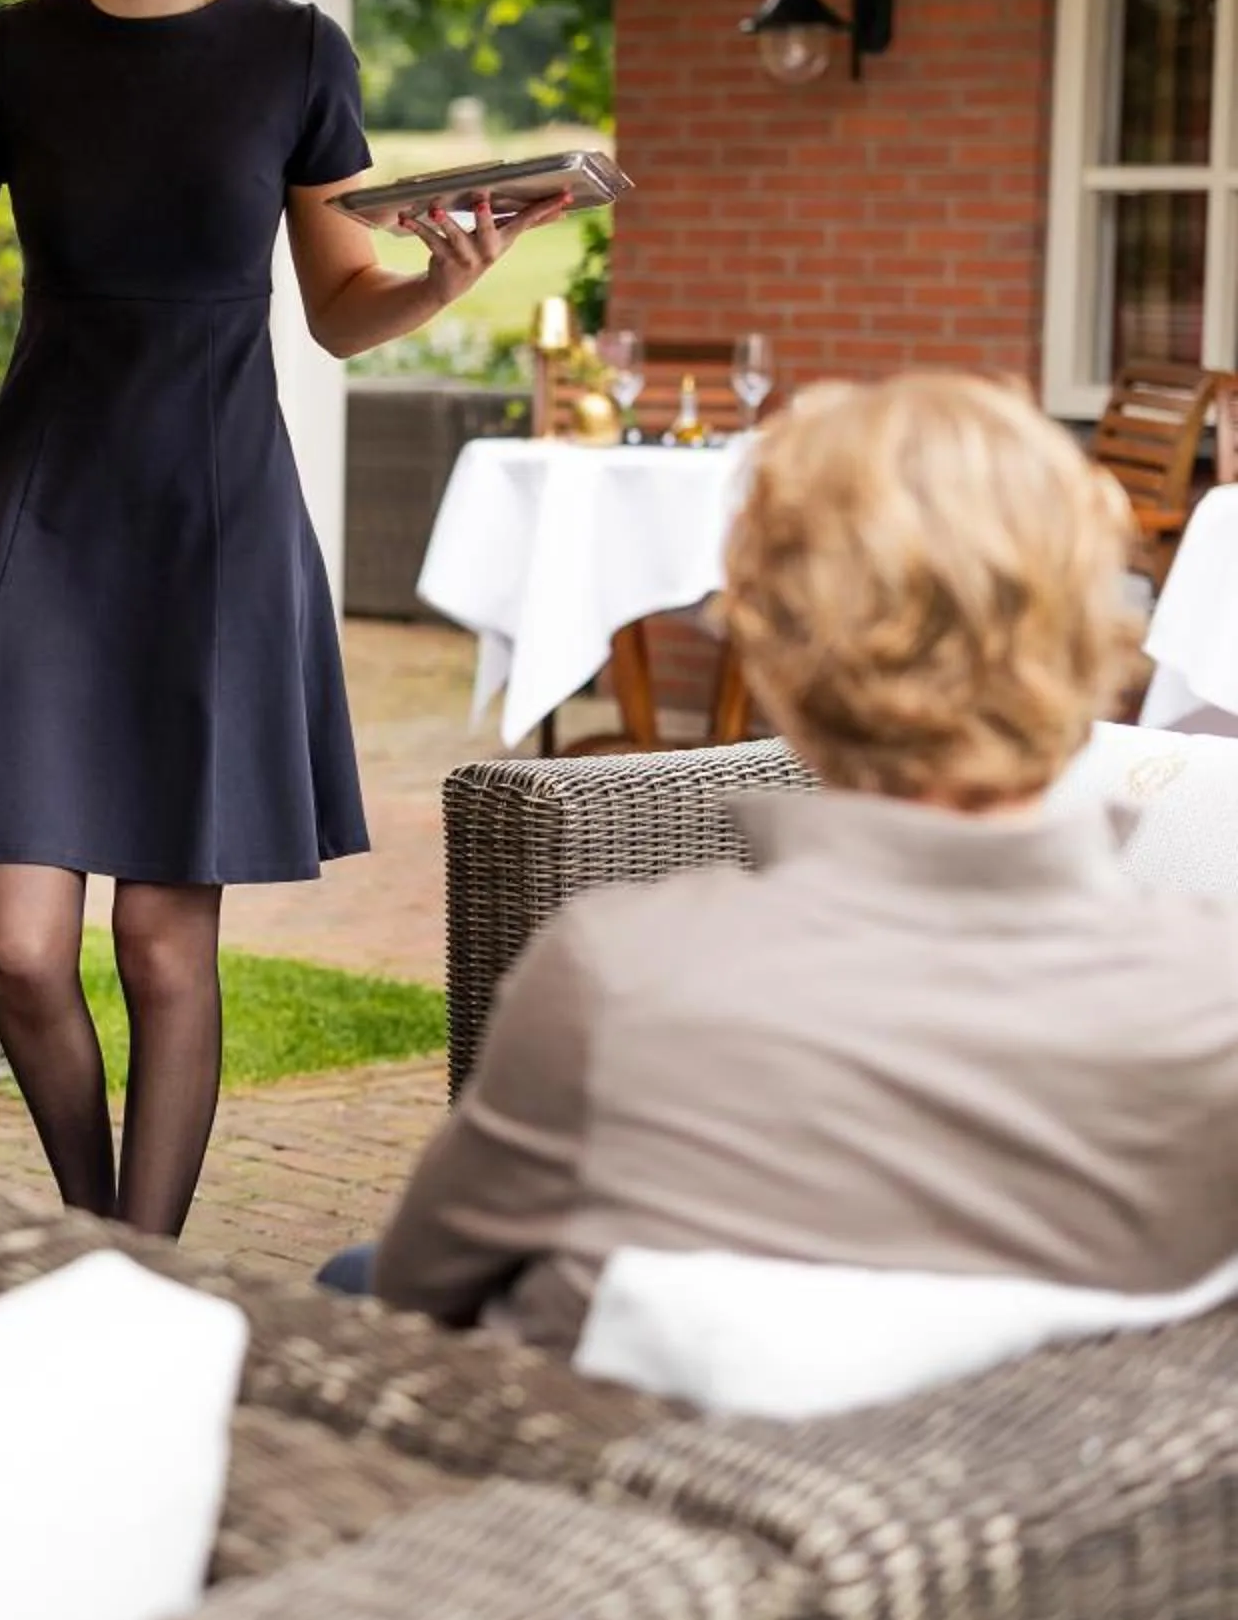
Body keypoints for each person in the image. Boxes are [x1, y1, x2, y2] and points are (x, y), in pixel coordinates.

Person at [0, 0, 566, 1239]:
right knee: (25, 945)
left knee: (173, 951)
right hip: (45, 509)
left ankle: (135, 1269)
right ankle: (89, 1227)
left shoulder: (295, 54)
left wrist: (440, 284)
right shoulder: (4, 54)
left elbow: (338, 305)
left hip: (212, 512)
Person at [352, 373, 1238, 1353]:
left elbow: (418, 1292)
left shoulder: (623, 974)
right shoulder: (1215, 994)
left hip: (639, 1475)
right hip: (1073, 1474)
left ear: (773, 649)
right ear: (1092, 638)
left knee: (347, 1274)